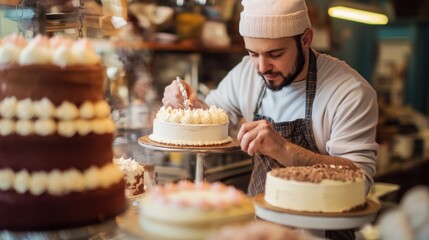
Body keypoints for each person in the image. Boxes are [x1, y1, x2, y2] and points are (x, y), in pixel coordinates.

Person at [162, 0, 378, 239]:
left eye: (275, 54)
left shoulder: (348, 92)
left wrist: (282, 148)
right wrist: (187, 104)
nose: (263, 67)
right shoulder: (246, 74)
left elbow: (360, 183)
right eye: (253, 54)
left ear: (306, 39)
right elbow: (212, 119)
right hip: (263, 231)